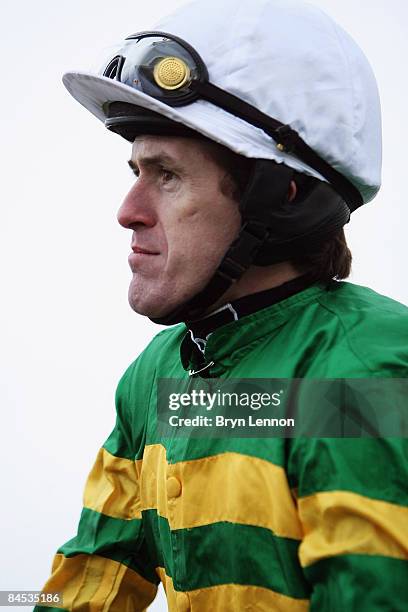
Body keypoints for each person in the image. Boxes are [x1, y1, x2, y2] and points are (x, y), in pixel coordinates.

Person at [36, 0, 408, 610]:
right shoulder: (157, 373)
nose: (128, 211)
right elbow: (83, 590)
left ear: (281, 198)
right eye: (134, 170)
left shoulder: (358, 372)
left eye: (167, 175)